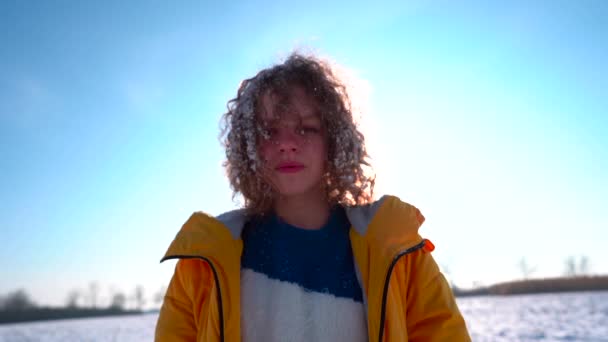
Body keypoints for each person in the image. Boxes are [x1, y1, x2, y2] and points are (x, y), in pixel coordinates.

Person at [155, 52, 471, 342]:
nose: (287, 144)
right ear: (247, 145)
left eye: (306, 128)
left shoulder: (397, 248)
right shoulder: (202, 263)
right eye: (269, 130)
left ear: (333, 140)